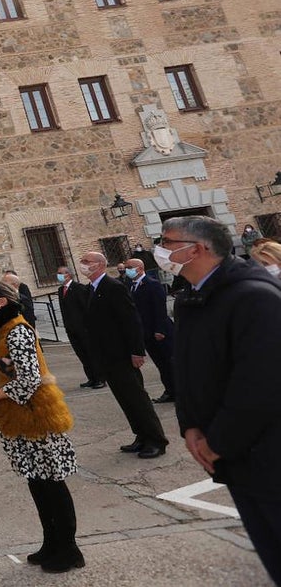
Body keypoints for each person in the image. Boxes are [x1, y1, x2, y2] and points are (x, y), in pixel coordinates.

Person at [164, 216, 281, 583]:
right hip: (237, 459)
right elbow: (187, 369)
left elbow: (260, 386)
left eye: (167, 243)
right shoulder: (193, 298)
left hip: (268, 454)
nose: (160, 251)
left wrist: (218, 443)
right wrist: (190, 425)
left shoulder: (253, 296)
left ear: (197, 249)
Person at [0, 279, 82, 573]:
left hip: (35, 416)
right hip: (15, 418)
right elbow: (0, 369)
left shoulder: (17, 330)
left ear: (2, 301)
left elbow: (30, 379)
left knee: (51, 483)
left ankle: (69, 549)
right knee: (36, 481)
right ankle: (51, 542)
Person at [78, 251, 168, 459]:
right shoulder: (91, 289)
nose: (83, 264)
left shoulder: (113, 287)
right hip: (107, 356)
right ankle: (141, 436)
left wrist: (137, 351)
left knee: (137, 398)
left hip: (122, 355)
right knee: (125, 399)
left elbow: (130, 320)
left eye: (87, 261)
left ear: (100, 265)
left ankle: (156, 440)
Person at [125, 258, 175, 404]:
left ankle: (178, 391)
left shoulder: (152, 284)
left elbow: (160, 309)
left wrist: (160, 330)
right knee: (161, 364)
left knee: (169, 363)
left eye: (130, 267)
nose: (127, 270)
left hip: (159, 332)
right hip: (146, 332)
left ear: (140, 268)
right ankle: (170, 390)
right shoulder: (132, 286)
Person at [55, 266, 105, 389]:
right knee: (82, 354)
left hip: (83, 329)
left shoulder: (79, 288)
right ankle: (91, 378)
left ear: (68, 274)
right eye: (58, 273)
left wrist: (87, 326)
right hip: (71, 329)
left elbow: (86, 308)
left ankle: (100, 378)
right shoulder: (61, 290)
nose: (59, 275)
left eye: (61, 273)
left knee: (91, 353)